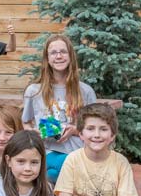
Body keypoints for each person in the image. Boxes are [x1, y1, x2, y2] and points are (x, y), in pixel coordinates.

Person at [22, 35, 96, 183]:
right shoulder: (34, 91)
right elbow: (25, 123)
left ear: (70, 56)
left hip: (76, 152)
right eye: (53, 53)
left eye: (63, 51)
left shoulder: (85, 91)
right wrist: (34, 132)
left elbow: (94, 128)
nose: (59, 56)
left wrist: (75, 130)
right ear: (47, 59)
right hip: (46, 151)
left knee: (55, 173)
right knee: (56, 170)